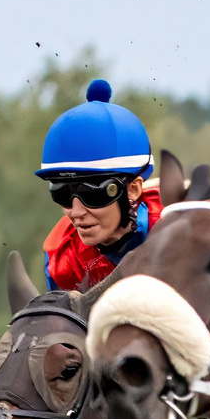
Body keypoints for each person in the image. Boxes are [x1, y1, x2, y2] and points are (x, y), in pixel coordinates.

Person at [37, 78, 162, 291]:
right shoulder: (63, 261)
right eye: (62, 193)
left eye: (92, 193)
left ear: (133, 189)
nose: (76, 212)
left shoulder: (177, 231)